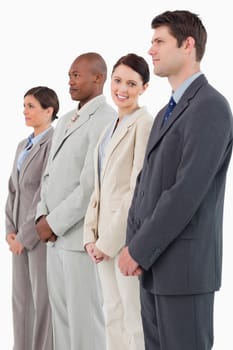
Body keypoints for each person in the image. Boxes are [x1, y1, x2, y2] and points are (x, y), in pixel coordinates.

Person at [118, 10, 233, 350]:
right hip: (155, 268)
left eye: (159, 41)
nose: (150, 50)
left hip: (184, 272)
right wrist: (133, 243)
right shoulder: (169, 110)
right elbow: (147, 184)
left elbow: (186, 192)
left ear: (187, 45)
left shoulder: (210, 107)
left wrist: (137, 249)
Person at [35, 52, 117, 350]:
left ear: (98, 78)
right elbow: (49, 174)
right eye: (69, 75)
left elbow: (91, 186)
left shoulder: (107, 119)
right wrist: (41, 217)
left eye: (76, 75)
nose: (70, 81)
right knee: (62, 322)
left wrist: (54, 222)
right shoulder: (67, 118)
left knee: (85, 322)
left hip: (77, 238)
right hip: (52, 239)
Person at [83, 53, 153, 350]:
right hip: (100, 238)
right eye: (118, 80)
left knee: (132, 320)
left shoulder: (144, 123)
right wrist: (89, 236)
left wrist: (106, 242)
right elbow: (97, 187)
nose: (122, 88)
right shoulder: (108, 127)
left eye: (131, 83)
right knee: (111, 315)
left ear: (144, 87)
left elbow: (136, 189)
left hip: (124, 239)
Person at [5, 86, 59, 350]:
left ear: (49, 111)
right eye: (24, 105)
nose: (25, 111)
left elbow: (43, 194)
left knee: (42, 301)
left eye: (31, 106)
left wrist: (25, 236)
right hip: (18, 237)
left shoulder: (54, 143)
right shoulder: (21, 146)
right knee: (21, 301)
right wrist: (9, 231)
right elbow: (12, 190)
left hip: (38, 236)